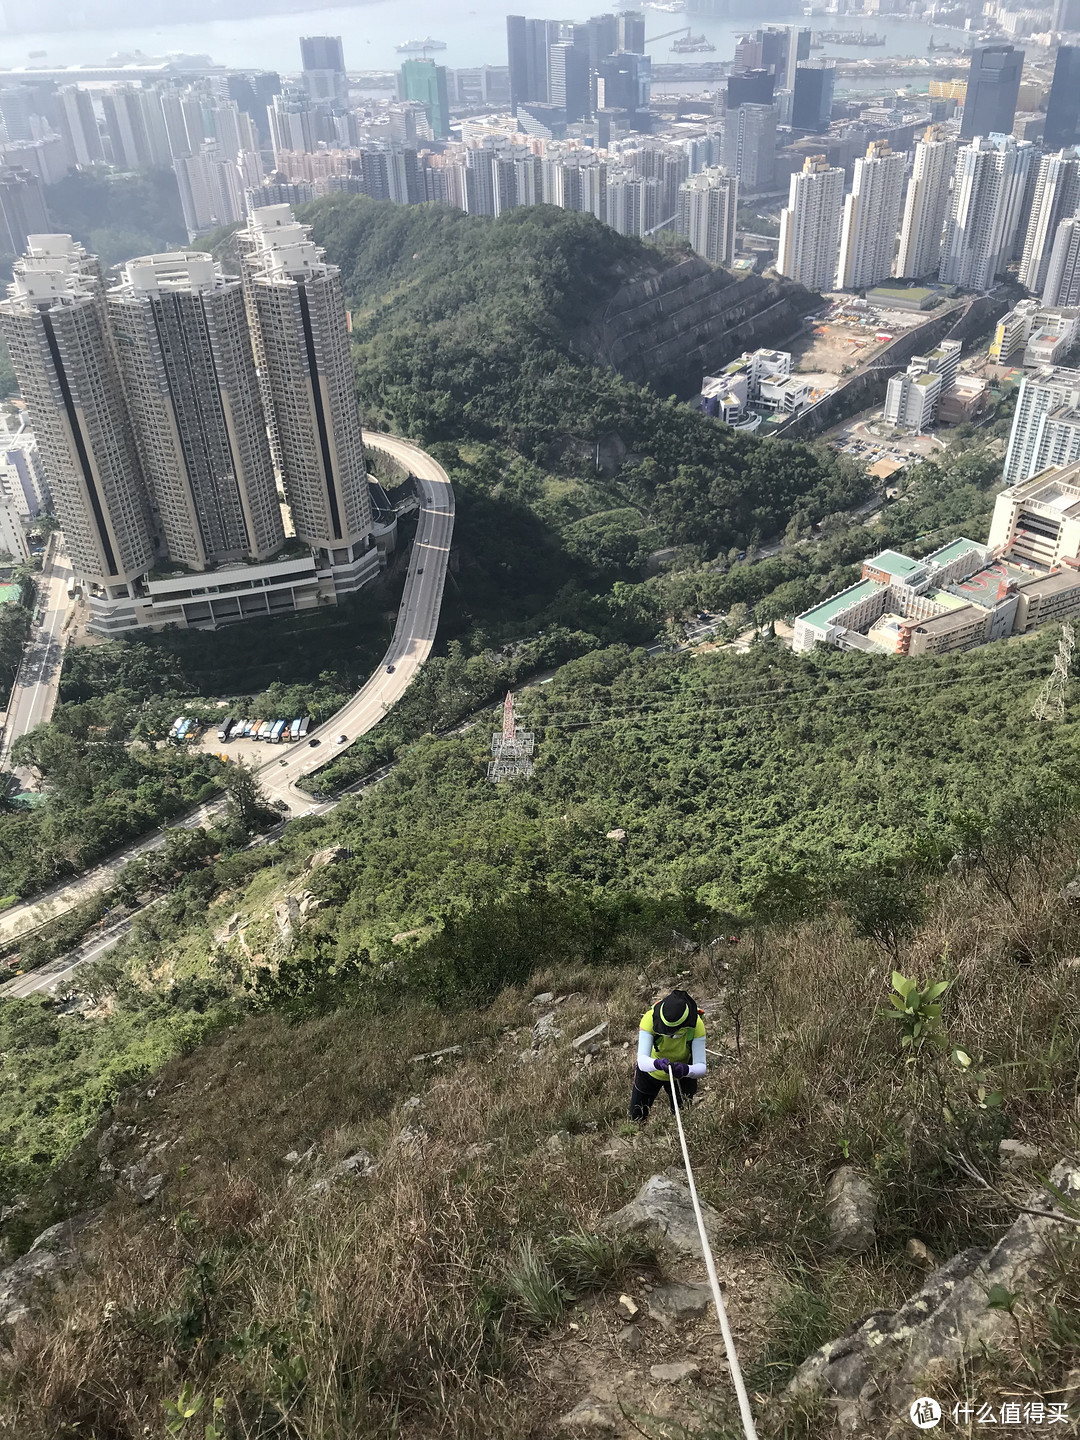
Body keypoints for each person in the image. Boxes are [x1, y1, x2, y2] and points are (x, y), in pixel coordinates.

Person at [629, 988, 706, 1122]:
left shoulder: (697, 1025)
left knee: (682, 1117)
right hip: (650, 1073)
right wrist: (657, 1064)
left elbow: (701, 1067)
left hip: (682, 1076)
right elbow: (642, 1061)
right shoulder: (649, 1018)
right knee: (636, 1117)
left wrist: (685, 1070)